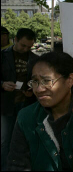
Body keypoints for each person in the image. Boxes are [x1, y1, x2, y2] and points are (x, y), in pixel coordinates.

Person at [7, 51, 73, 171]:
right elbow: (16, 165)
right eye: (35, 81)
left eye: (46, 81)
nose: (39, 89)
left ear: (69, 80)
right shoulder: (26, 117)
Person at [1, 28, 38, 171]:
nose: (26, 49)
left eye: (29, 47)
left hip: (27, 104)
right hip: (6, 105)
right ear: (15, 39)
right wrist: (2, 84)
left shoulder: (35, 59)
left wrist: (32, 91)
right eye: (23, 45)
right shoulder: (3, 56)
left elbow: (37, 81)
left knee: (27, 138)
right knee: (5, 140)